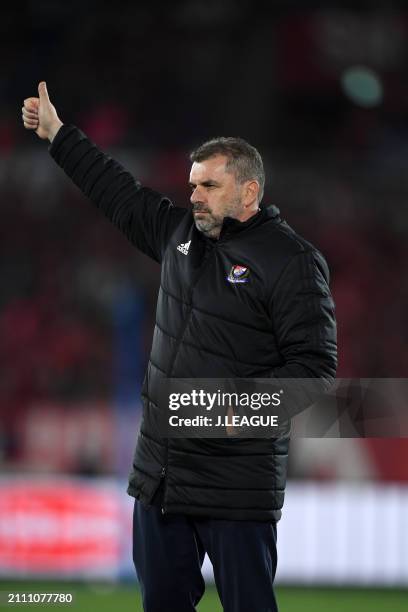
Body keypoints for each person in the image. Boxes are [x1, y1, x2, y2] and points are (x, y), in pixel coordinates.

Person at [22, 82, 337, 612]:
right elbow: (117, 191)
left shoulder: (293, 263)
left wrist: (241, 409)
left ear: (249, 193)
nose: (194, 196)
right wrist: (57, 135)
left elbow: (316, 368)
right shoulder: (178, 237)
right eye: (193, 185)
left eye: (209, 186)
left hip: (236, 485)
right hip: (161, 479)